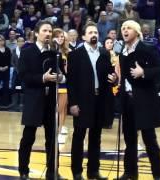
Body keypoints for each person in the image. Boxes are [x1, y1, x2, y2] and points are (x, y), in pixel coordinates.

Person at [67, 22, 117, 180]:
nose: (93, 35)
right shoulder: (75, 54)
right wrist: (73, 103)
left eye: (95, 32)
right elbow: (71, 82)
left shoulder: (104, 53)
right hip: (82, 101)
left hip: (100, 99)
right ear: (83, 36)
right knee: (79, 136)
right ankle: (77, 172)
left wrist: (114, 79)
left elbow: (110, 75)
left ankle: (93, 171)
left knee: (96, 137)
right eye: (90, 33)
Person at [17, 21, 65, 180]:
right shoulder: (27, 52)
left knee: (52, 139)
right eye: (45, 30)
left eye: (50, 31)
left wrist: (60, 77)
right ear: (37, 33)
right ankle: (23, 171)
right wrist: (42, 78)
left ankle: (52, 172)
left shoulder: (54, 53)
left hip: (50, 101)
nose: (48, 34)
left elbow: (63, 73)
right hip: (34, 99)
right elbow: (23, 77)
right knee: (28, 137)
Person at [118, 20, 160, 180]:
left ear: (137, 32)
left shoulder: (148, 49)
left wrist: (144, 72)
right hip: (127, 100)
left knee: (149, 139)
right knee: (129, 139)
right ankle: (130, 173)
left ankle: (157, 175)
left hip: (145, 100)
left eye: (128, 28)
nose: (124, 30)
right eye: (123, 28)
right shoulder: (122, 52)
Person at [52, 28, 70, 144]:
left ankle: (59, 131)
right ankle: (55, 130)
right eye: (58, 36)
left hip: (64, 81)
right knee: (55, 108)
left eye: (62, 36)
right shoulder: (50, 50)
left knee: (62, 108)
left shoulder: (67, 51)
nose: (60, 38)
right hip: (52, 81)